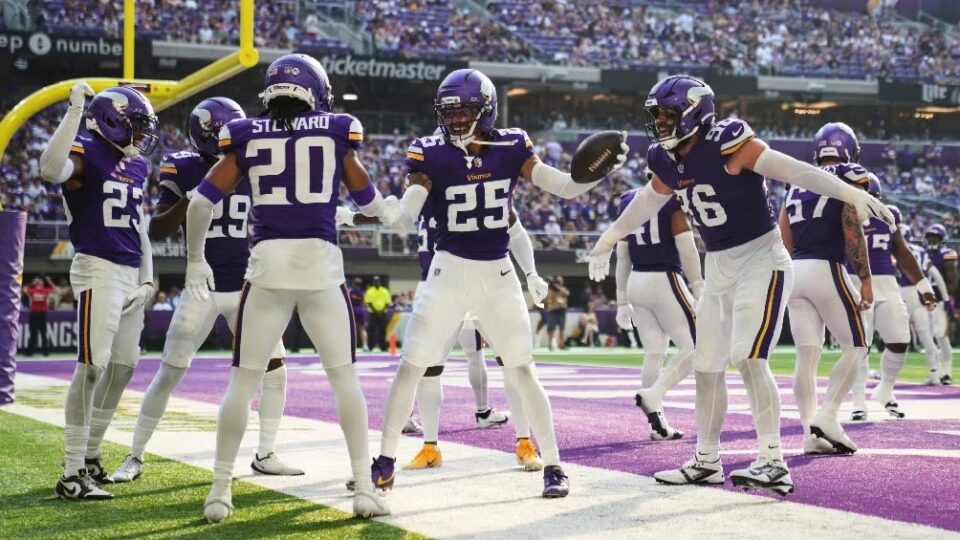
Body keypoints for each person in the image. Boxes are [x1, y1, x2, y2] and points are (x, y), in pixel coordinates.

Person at [586, 75, 893, 496]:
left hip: (761, 259)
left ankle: (773, 461)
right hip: (718, 265)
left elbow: (795, 170)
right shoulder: (665, 158)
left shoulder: (727, 141)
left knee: (749, 357)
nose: (660, 123)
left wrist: (849, 194)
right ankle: (706, 460)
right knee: (706, 366)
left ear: (694, 113)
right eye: (656, 115)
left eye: (668, 114)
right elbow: (648, 200)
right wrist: (608, 238)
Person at [370, 68, 626, 499]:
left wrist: (597, 172)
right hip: (448, 271)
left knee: (523, 369)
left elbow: (564, 188)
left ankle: (554, 464)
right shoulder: (429, 151)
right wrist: (393, 211)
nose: (455, 119)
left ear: (486, 109)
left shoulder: (511, 145)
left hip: (498, 274)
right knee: (411, 365)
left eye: (464, 111)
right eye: (449, 112)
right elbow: (411, 207)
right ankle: (384, 460)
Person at [184, 54, 397, 522]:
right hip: (320, 268)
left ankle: (219, 492)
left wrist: (195, 260)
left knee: (243, 381)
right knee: (345, 380)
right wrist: (385, 209)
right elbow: (369, 202)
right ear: (317, 92)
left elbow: (199, 203)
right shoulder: (337, 130)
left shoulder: (245, 134)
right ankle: (364, 489)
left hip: (268, 268)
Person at [110, 97, 300, 485]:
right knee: (170, 372)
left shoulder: (253, 164)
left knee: (276, 371)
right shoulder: (183, 166)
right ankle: (135, 455)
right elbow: (158, 228)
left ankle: (265, 454)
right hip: (202, 287)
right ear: (206, 135)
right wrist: (195, 196)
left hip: (248, 287)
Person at [39, 83, 157, 500]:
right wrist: (74, 111)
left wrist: (148, 278)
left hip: (130, 271)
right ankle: (72, 474)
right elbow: (50, 170)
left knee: (123, 366)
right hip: (98, 267)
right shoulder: (86, 150)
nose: (141, 135)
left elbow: (138, 225)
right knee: (91, 367)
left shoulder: (137, 165)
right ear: (112, 121)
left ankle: (90, 456)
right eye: (136, 125)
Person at [778, 122, 872, 455]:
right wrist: (866, 279)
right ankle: (828, 414)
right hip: (826, 267)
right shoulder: (848, 174)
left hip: (795, 271)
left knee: (806, 356)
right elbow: (851, 228)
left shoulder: (797, 181)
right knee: (858, 344)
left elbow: (783, 236)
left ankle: (810, 435)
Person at [615, 188, 702, 442]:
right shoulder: (671, 197)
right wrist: (698, 285)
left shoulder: (627, 199)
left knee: (654, 352)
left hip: (636, 281)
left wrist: (621, 300)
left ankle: (657, 425)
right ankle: (655, 393)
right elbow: (687, 249)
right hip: (664, 279)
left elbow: (622, 256)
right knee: (698, 346)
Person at [848, 177, 936, 420]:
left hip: (887, 284)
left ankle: (885, 390)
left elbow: (902, 253)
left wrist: (923, 285)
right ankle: (858, 400)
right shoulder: (842, 213)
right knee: (859, 345)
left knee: (899, 340)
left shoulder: (889, 214)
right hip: (855, 282)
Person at [900, 236, 945, 385]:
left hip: (905, 292)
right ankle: (935, 373)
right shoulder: (922, 251)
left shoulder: (898, 248)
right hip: (921, 291)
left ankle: (888, 373)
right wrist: (944, 298)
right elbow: (936, 274)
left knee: (896, 335)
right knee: (926, 336)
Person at [924, 224, 956, 384]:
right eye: (930, 238)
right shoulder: (922, 254)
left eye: (935, 238)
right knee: (927, 337)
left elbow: (953, 281)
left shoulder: (946, 254)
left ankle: (947, 373)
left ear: (942, 240)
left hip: (939, 302)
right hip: (923, 302)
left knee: (941, 337)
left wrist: (945, 300)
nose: (932, 240)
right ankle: (936, 372)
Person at [22, 275, 56, 355]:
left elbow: (55, 290)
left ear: (43, 283)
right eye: (38, 281)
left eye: (41, 281)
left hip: (43, 313)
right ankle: (30, 352)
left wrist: (49, 281)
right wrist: (32, 283)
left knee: (43, 333)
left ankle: (45, 351)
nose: (39, 282)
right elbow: (24, 290)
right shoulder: (32, 290)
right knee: (33, 333)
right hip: (34, 313)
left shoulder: (46, 290)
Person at [364, 276, 391, 351]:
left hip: (383, 313)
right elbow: (369, 303)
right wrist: (377, 312)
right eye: (375, 281)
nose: (376, 282)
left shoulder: (385, 291)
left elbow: (387, 302)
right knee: (371, 331)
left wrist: (381, 312)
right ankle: (370, 347)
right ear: (373, 282)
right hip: (372, 313)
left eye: (378, 281)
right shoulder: (369, 291)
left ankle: (383, 347)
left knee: (383, 330)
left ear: (380, 282)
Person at [545, 276, 569, 350]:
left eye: (560, 281)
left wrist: (559, 288)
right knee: (551, 328)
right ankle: (550, 344)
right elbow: (548, 300)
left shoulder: (564, 289)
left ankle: (562, 344)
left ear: (562, 282)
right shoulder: (551, 290)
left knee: (562, 329)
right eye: (557, 281)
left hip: (562, 311)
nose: (558, 282)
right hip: (553, 311)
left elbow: (567, 294)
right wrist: (552, 306)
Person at [348, 277, 369, 351]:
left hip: (352, 310)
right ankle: (365, 345)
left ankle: (352, 346)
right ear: (361, 284)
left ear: (354, 283)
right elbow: (364, 303)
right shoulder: (362, 292)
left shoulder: (350, 291)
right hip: (360, 310)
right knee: (362, 328)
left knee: (351, 329)